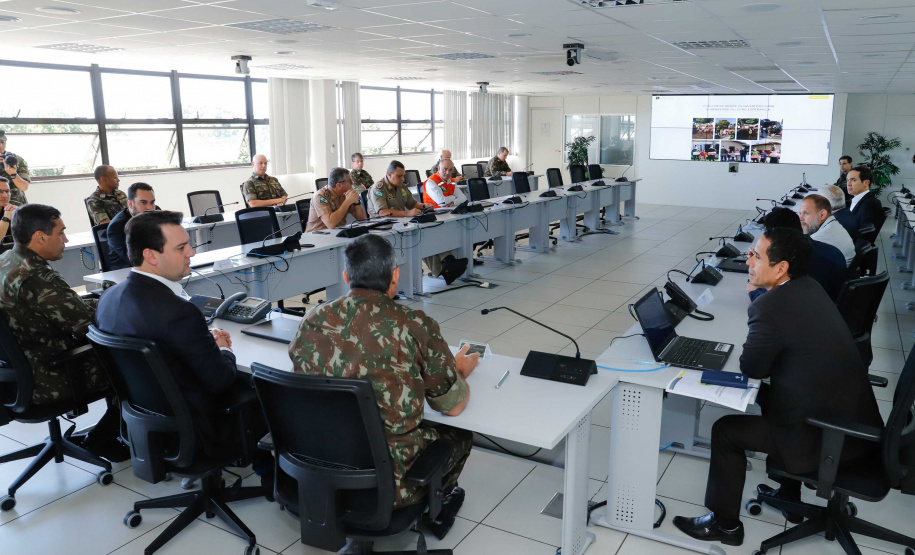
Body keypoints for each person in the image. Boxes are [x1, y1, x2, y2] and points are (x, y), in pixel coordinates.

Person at [673, 226, 883, 547]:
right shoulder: (809, 287)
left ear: (780, 267)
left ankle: (726, 526)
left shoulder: (769, 308)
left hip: (826, 434)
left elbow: (752, 368)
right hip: (855, 423)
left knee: (726, 430)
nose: (748, 261)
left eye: (756, 256)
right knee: (765, 396)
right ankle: (789, 493)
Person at [288, 234, 479, 540]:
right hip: (392, 482)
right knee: (460, 436)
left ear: (347, 277)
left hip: (319, 468)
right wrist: (459, 371)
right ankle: (436, 505)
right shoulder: (415, 324)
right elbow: (453, 406)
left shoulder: (312, 320)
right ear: (395, 277)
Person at [95, 210, 274, 488]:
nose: (191, 252)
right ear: (151, 256)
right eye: (181, 247)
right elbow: (221, 381)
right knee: (262, 383)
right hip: (197, 428)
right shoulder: (178, 312)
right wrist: (223, 350)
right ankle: (271, 476)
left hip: (147, 423)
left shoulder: (108, 298)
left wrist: (203, 342)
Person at [368, 161, 469, 284]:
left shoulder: (401, 186)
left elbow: (412, 203)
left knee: (427, 230)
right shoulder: (378, 188)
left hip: (401, 223)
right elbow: (382, 212)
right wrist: (407, 213)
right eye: (399, 176)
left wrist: (425, 206)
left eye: (403, 175)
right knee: (418, 237)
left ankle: (447, 263)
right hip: (383, 227)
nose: (402, 179)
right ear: (389, 174)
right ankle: (444, 268)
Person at [752, 208, 846, 301]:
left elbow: (777, 302)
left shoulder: (795, 262)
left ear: (778, 236)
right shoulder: (830, 250)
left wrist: (755, 292)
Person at [106, 182, 157, 271]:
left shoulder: (156, 214)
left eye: (152, 202)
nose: (150, 208)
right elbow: (133, 259)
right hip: (125, 271)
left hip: (153, 266)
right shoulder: (117, 227)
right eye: (143, 203)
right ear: (130, 204)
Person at [797, 194, 855, 266]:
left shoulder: (817, 240)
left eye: (806, 213)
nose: (801, 218)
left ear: (822, 215)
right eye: (800, 213)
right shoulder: (834, 226)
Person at [305, 167, 366, 232]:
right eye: (350, 181)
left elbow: (361, 218)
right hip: (317, 236)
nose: (352, 183)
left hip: (336, 233)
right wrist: (347, 202)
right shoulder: (320, 196)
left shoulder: (345, 194)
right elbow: (330, 224)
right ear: (339, 185)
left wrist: (356, 202)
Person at [846, 165, 885, 238]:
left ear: (866, 183)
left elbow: (862, 234)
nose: (848, 184)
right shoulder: (861, 200)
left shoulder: (869, 205)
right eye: (848, 180)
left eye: (853, 180)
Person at [0, 130, 31, 207]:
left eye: (2, 142)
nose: (0, 146)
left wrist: (13, 174)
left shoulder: (15, 160)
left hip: (17, 206)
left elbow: (24, 187)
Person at [0, 177, 17, 246]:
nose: (5, 195)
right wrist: (6, 218)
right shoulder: (8, 212)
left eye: (7, 191)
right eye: (0, 192)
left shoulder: (13, 208)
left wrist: (19, 216)